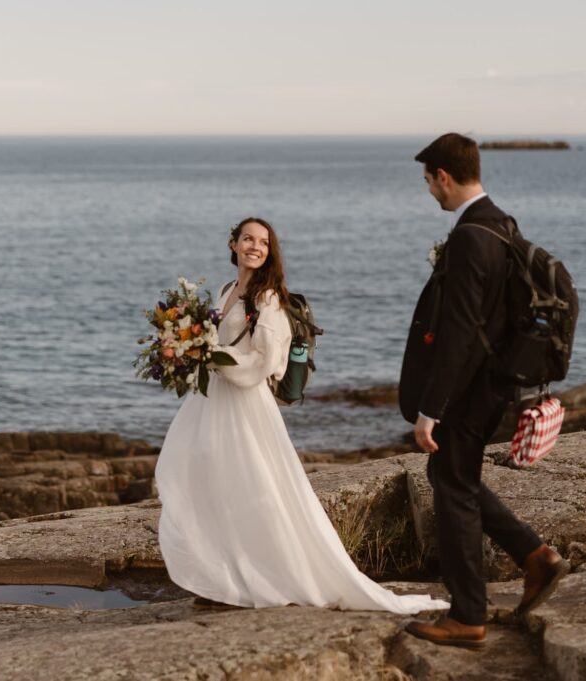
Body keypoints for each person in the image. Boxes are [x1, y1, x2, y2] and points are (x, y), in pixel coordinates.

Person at [155, 216, 447, 615]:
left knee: (254, 491)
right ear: (234, 244)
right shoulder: (225, 290)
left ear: (269, 251)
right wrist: (190, 352)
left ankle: (263, 576)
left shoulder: (269, 297)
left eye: (262, 242)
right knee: (208, 484)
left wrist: (212, 359)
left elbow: (265, 361)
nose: (254, 247)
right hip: (212, 401)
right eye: (247, 239)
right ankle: (222, 578)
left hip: (245, 405)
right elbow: (212, 338)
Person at [399, 134, 569, 648]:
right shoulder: (501, 225)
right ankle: (535, 556)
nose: (430, 192)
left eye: (430, 181)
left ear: (444, 177)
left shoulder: (472, 236)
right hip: (496, 385)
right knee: (452, 475)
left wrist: (432, 408)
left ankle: (468, 614)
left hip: (472, 392)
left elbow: (462, 333)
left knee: (453, 490)